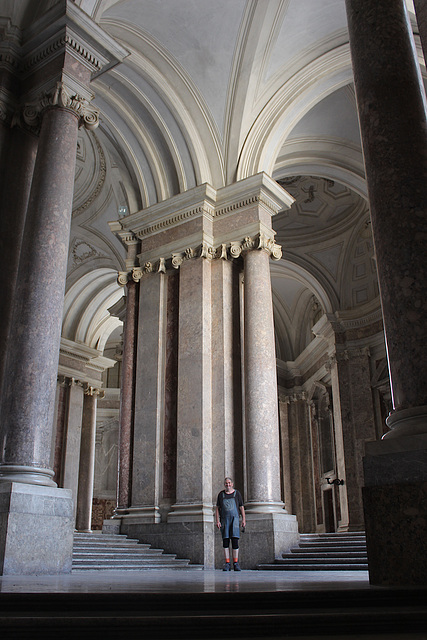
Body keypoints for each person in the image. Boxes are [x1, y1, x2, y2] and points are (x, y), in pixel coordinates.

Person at [215, 477, 246, 571]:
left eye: (229, 483)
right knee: (226, 541)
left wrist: (244, 519)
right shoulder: (221, 495)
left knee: (235, 541)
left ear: (232, 484)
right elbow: (217, 508)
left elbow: (241, 507)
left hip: (235, 520)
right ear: (224, 484)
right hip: (224, 520)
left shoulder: (237, 494)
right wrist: (217, 520)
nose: (228, 485)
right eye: (226, 483)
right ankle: (227, 563)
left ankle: (235, 563)